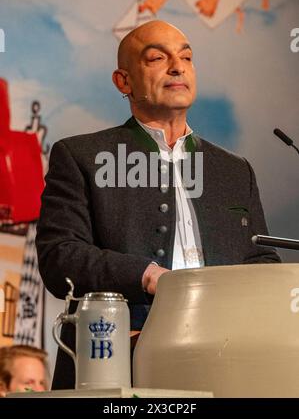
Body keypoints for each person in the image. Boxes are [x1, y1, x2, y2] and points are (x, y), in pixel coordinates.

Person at [36, 20, 280, 390]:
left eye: (186, 57)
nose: (177, 66)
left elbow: (259, 262)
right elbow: (60, 257)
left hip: (225, 358)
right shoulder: (82, 156)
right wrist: (148, 276)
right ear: (123, 81)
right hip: (122, 355)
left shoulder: (234, 170)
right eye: (156, 58)